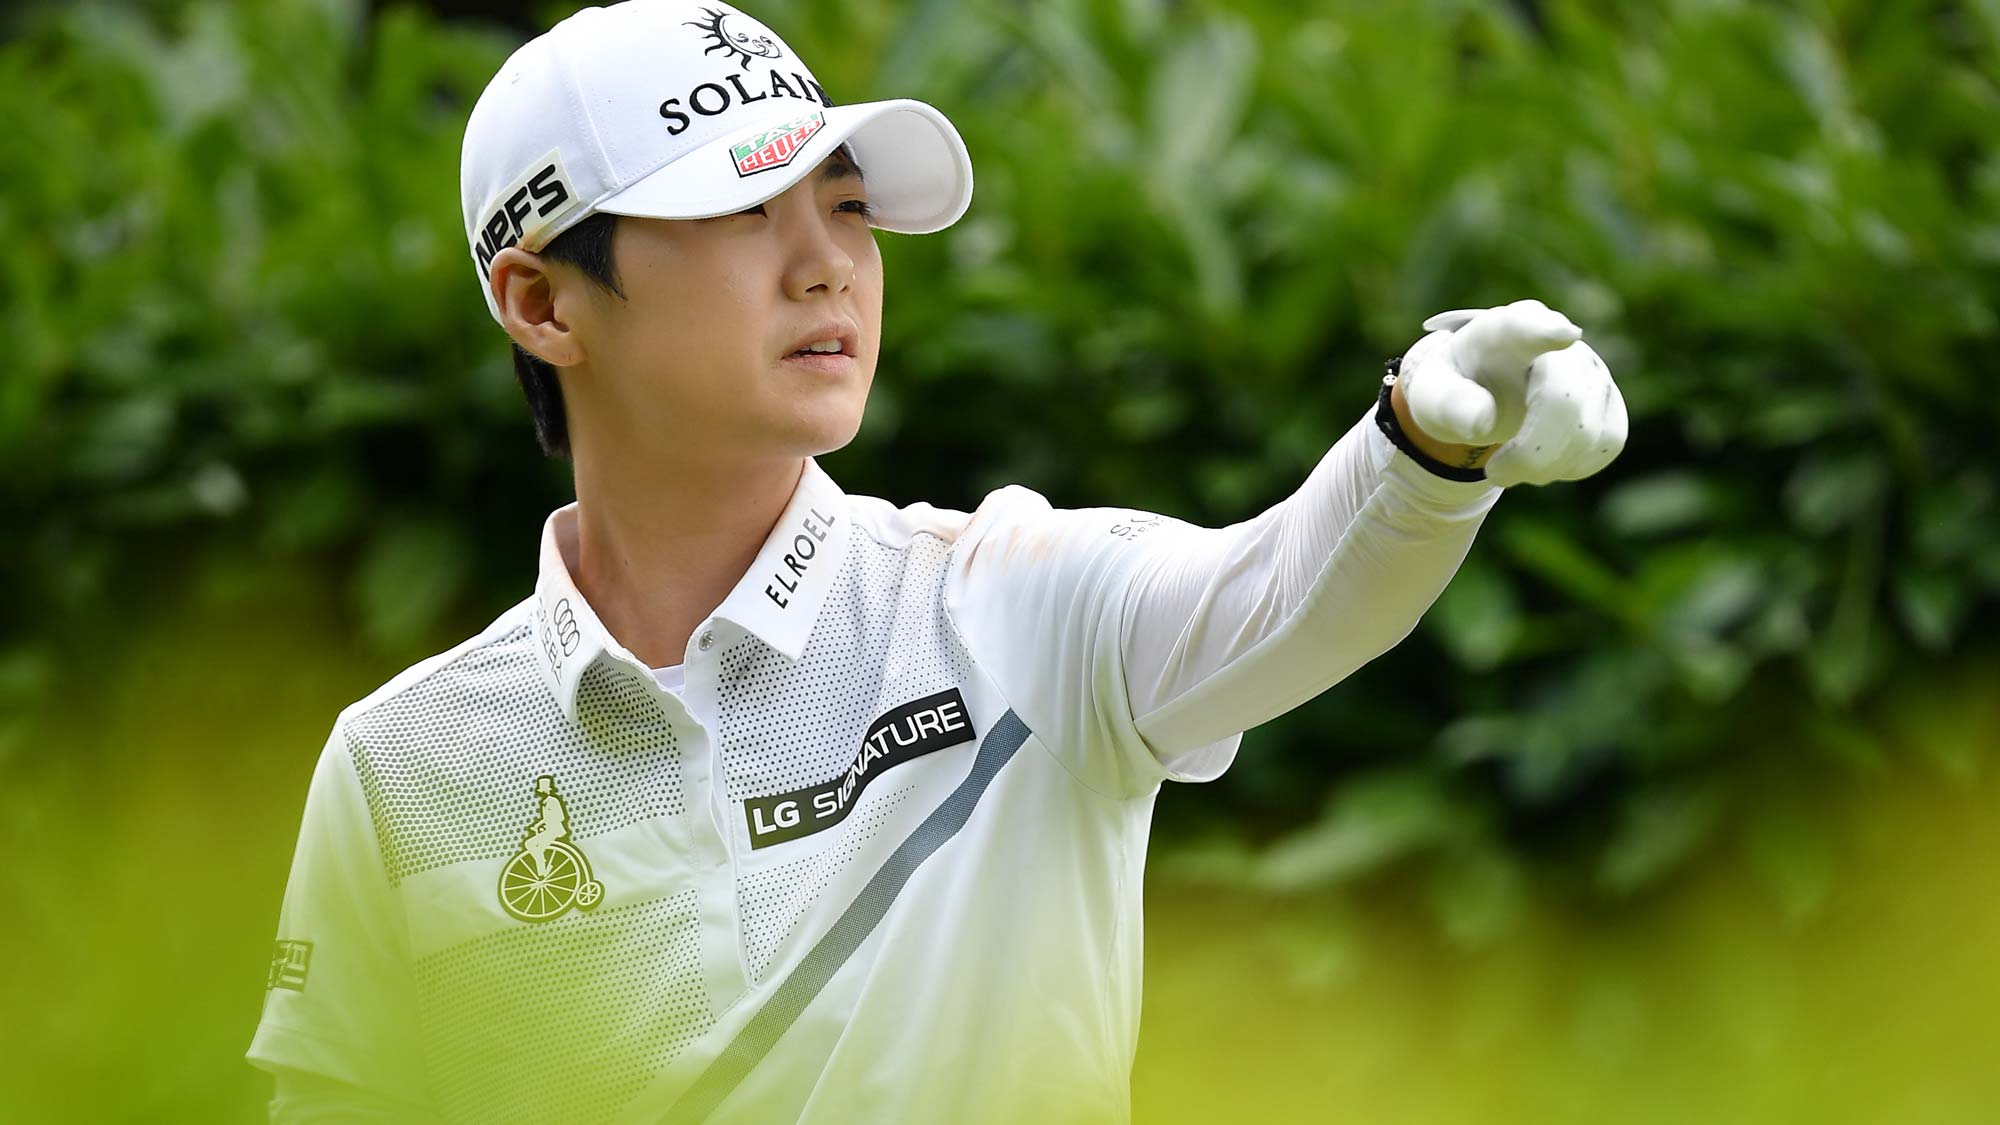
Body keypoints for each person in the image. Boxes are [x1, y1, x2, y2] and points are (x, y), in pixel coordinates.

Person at [243, 1, 1627, 1122]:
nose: (826, 265)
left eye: (844, 208)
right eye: (743, 213)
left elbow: (1272, 593)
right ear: (543, 301)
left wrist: (1422, 457)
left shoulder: (1000, 605)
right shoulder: (403, 765)